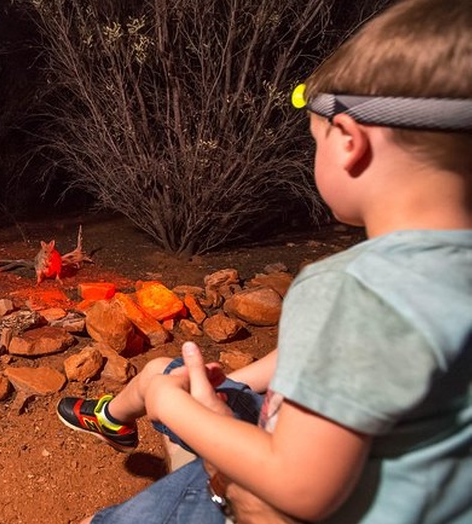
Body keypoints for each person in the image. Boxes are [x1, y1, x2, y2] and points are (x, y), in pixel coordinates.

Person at [57, 0, 472, 521]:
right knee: (168, 371)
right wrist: (230, 386)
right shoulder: (437, 276)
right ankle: (114, 417)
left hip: (275, 500)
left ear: (349, 141)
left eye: (314, 140)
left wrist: (173, 406)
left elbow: (299, 486)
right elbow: (348, 355)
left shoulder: (351, 287)